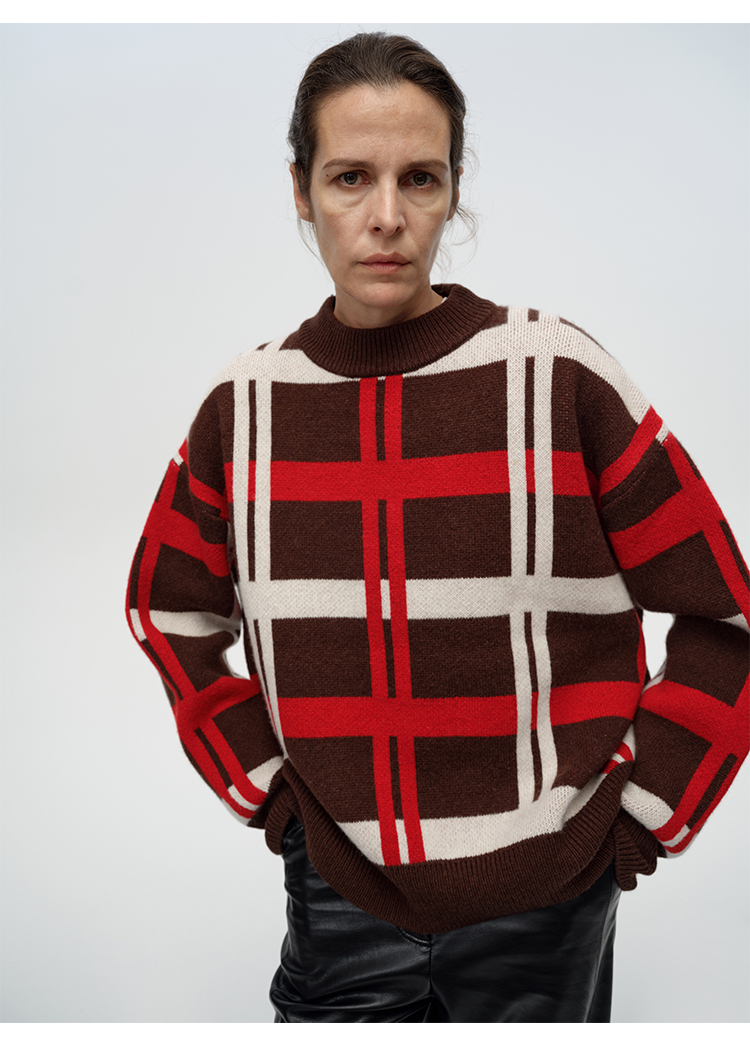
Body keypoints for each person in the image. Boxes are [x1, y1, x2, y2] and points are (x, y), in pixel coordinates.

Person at [126, 32, 749, 1023]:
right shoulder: (243, 407)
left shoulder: (557, 373)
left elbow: (725, 613)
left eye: (420, 178)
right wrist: (276, 802)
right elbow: (168, 609)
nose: (387, 216)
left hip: (548, 896)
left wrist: (641, 820)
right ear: (301, 191)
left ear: (454, 189)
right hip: (339, 892)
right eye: (350, 177)